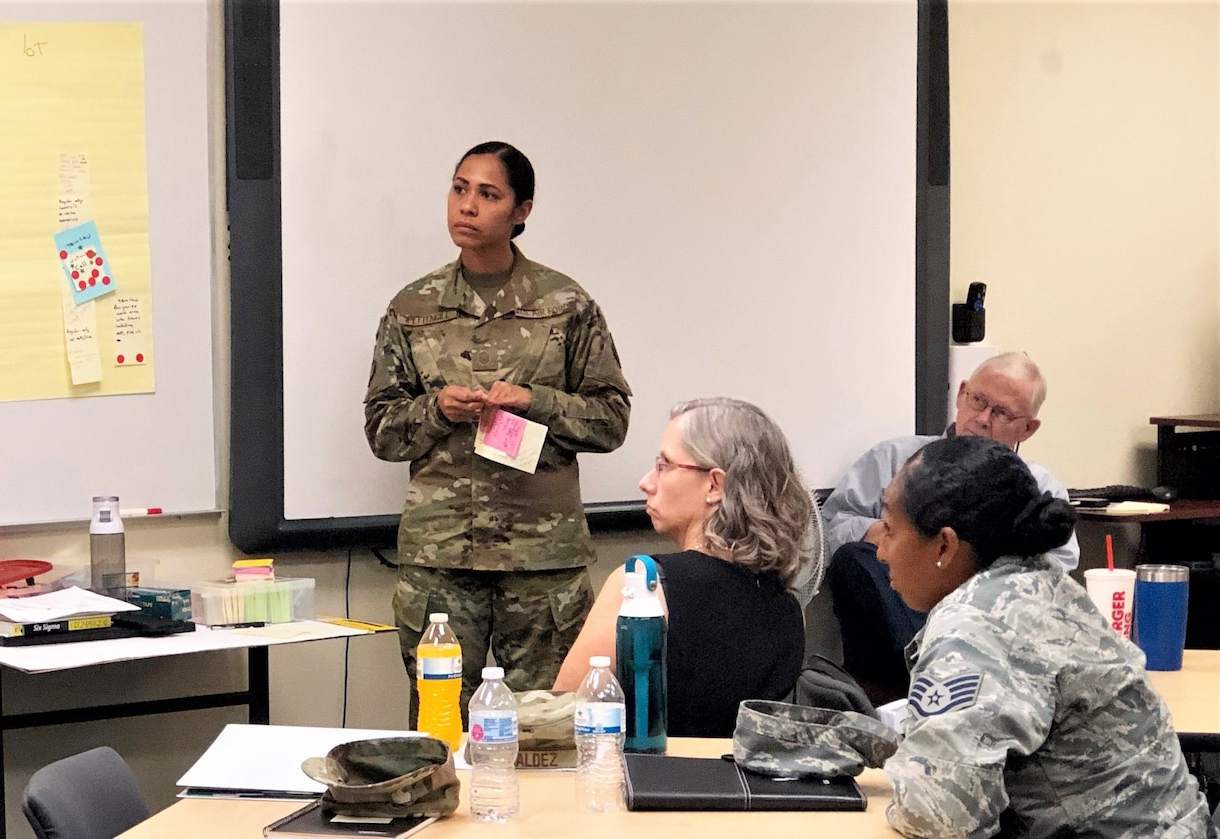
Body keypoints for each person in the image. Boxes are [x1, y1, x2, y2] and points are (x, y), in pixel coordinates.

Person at [364, 141, 632, 720]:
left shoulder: (565, 303)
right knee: (443, 729)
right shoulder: (412, 308)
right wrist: (437, 409)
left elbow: (611, 419)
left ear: (521, 211)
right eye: (459, 189)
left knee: (544, 729)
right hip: (443, 558)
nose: (467, 206)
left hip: (541, 561)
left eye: (488, 194)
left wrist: (536, 401)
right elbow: (382, 431)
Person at [871, 436, 1209, 837]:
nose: (880, 552)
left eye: (890, 530)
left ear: (945, 544)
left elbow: (941, 815)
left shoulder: (976, 622)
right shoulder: (1040, 582)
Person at [551, 397, 815, 738]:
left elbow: (559, 723)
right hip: (745, 790)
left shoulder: (642, 587)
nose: (646, 482)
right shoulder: (790, 609)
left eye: (664, 465)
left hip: (646, 787)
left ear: (715, 485)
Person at [821, 351, 1074, 701]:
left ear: (1028, 427)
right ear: (961, 394)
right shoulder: (895, 459)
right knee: (856, 558)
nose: (982, 419)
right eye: (978, 401)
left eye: (1001, 412)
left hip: (991, 638)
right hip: (894, 639)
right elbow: (829, 528)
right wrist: (888, 534)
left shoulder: (1040, 488)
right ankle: (930, 660)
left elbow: (1052, 572)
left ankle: (947, 664)